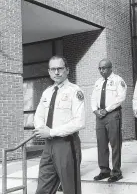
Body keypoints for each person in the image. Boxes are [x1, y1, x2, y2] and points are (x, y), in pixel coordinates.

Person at [33, 55, 85, 194]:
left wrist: (50, 132)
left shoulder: (75, 91)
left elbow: (79, 121)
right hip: (48, 145)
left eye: (60, 68)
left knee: (70, 189)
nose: (56, 72)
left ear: (67, 70)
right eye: (53, 69)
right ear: (49, 72)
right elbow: (39, 115)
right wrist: (41, 128)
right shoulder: (47, 92)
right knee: (43, 189)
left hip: (66, 144)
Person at [91, 59, 127, 182]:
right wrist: (95, 110)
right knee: (101, 144)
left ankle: (116, 172)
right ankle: (104, 170)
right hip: (99, 116)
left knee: (115, 144)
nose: (101, 70)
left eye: (104, 68)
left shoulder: (118, 80)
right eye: (100, 68)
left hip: (112, 114)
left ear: (110, 68)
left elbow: (121, 98)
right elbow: (93, 98)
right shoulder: (98, 82)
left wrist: (106, 110)